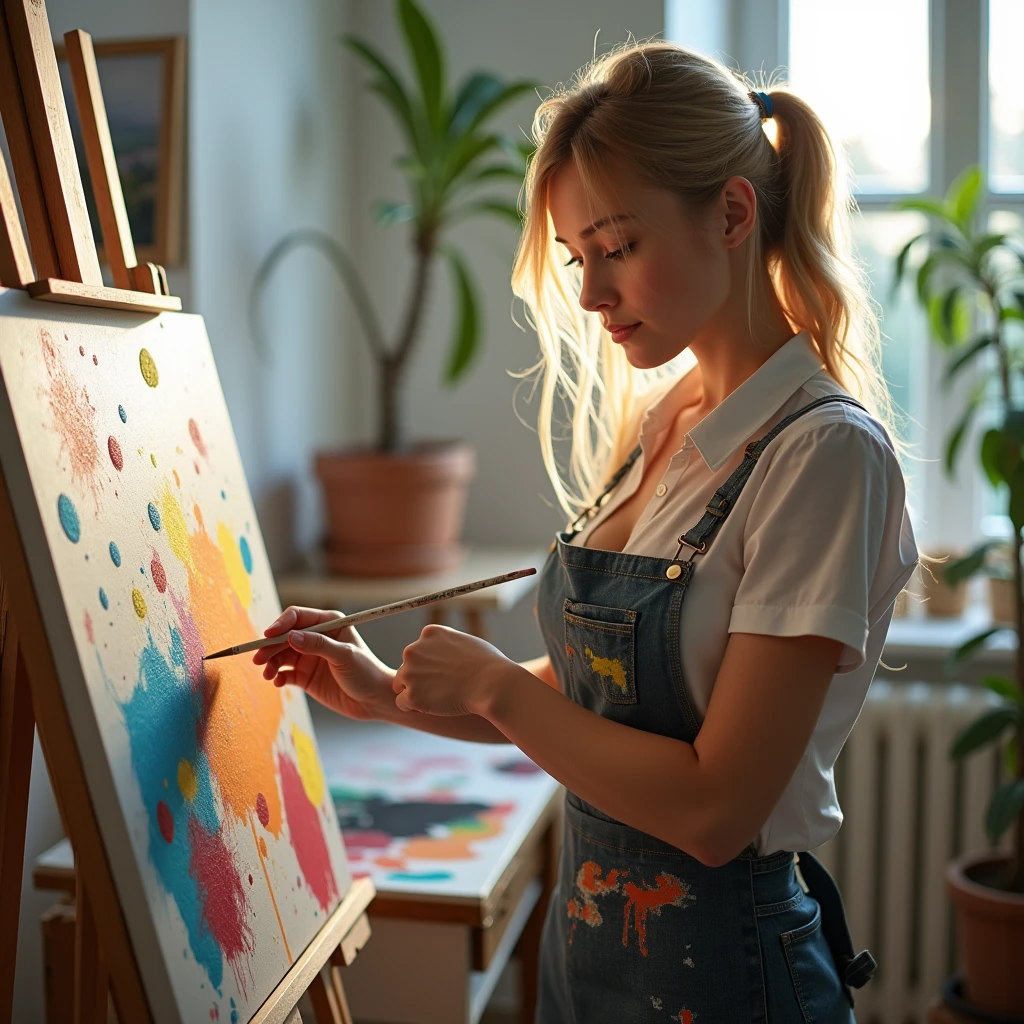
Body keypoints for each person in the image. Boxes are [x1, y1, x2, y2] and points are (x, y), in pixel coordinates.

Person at [255, 41, 918, 1023]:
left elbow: (712, 807)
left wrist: (486, 683)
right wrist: (387, 691)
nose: (590, 294)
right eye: (577, 257)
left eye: (618, 247)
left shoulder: (821, 457)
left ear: (733, 214)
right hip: (592, 952)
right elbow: (590, 700)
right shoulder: (670, 422)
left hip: (725, 975)